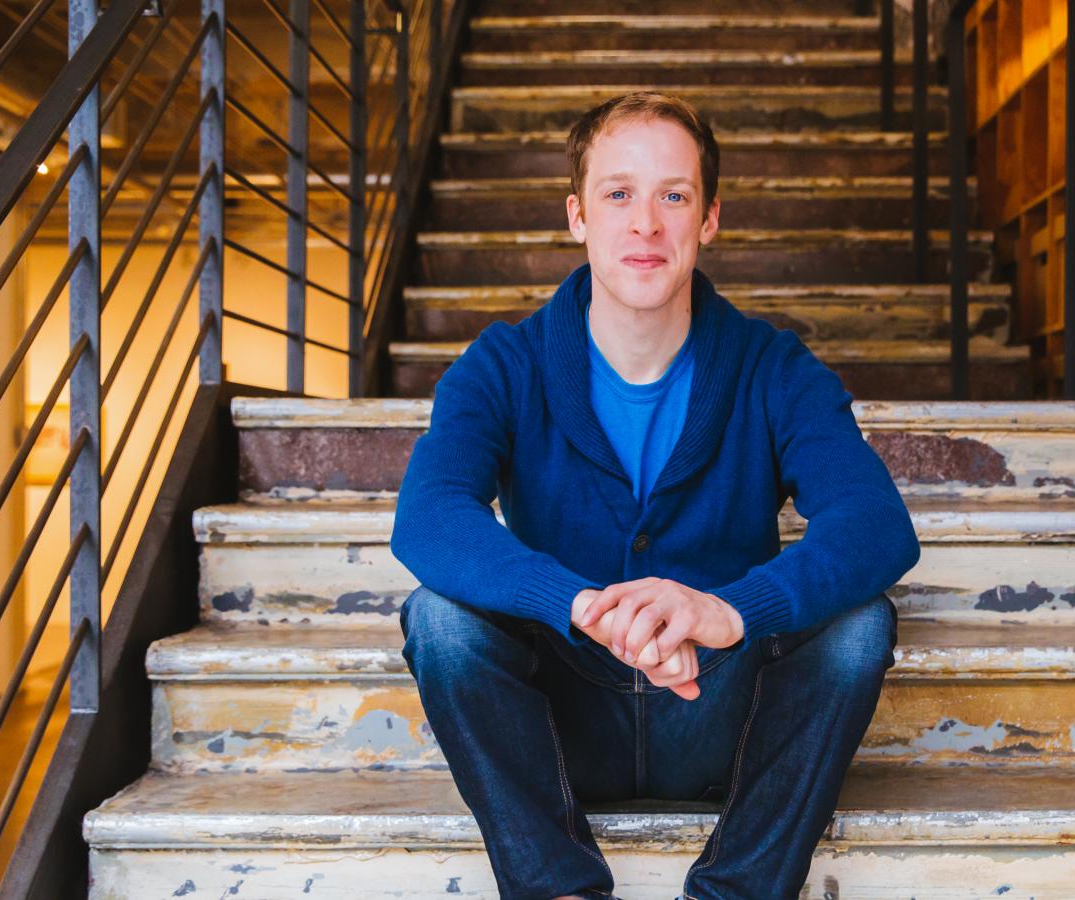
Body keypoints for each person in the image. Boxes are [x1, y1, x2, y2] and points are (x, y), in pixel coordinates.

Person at [391, 90, 921, 900]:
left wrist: (730, 611)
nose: (646, 224)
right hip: (566, 724)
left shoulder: (773, 368)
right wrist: (581, 604)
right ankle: (559, 889)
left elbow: (876, 524)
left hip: (719, 713)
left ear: (709, 218)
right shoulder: (502, 365)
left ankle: (735, 891)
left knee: (859, 626)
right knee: (439, 621)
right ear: (578, 216)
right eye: (618, 194)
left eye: (674, 195)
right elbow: (429, 517)